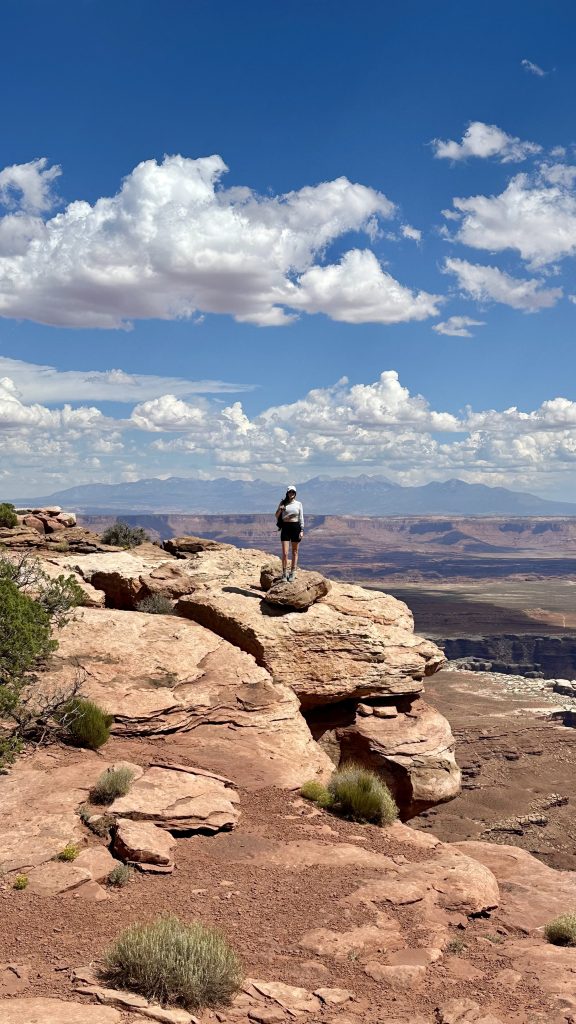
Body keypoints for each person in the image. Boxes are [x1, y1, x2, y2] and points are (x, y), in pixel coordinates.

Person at [275, 485, 304, 582]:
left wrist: (302, 530)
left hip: (295, 527)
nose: (291, 494)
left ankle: (293, 572)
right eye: (290, 492)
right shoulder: (283, 503)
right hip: (286, 528)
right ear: (287, 493)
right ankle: (284, 573)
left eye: (293, 492)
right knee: (285, 553)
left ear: (295, 493)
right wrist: (280, 509)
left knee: (295, 551)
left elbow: (301, 517)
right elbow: (276, 515)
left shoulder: (299, 504)